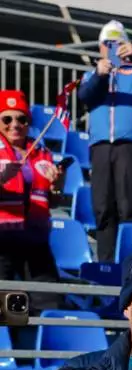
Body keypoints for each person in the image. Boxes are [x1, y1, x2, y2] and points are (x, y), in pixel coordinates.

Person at [78, 21, 132, 263]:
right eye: (107, 43)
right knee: (103, 207)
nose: (112, 48)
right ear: (100, 48)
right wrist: (100, 75)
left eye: (118, 43)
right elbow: (86, 97)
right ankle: (105, 264)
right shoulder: (91, 75)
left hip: (130, 146)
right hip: (101, 146)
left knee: (129, 206)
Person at [0, 90, 58, 285]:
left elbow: (54, 201)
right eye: (6, 119)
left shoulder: (42, 152)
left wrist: (57, 186)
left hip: (36, 237)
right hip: (3, 238)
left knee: (49, 299)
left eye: (21, 119)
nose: (14, 125)